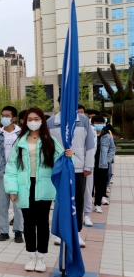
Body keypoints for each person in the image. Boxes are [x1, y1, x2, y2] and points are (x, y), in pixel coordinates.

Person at [5, 107, 65, 272]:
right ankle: (31, 255)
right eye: (30, 119)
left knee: (43, 222)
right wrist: (12, 189)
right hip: (25, 186)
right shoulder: (20, 141)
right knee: (28, 222)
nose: (33, 122)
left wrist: (69, 156)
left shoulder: (50, 141)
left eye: (36, 119)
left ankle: (42, 257)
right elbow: (11, 167)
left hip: (44, 186)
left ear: (42, 121)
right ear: (25, 121)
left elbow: (61, 161)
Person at [48, 97, 95, 248]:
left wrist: (88, 166)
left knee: (77, 200)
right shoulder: (51, 122)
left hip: (78, 168)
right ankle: (61, 233)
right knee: (61, 200)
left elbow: (90, 145)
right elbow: (48, 146)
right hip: (59, 167)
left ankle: (76, 233)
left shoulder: (83, 120)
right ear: (59, 103)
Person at [0, 106, 24, 243]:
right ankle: (3, 231)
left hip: (18, 173)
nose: (4, 118)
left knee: (18, 205)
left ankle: (18, 231)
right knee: (2, 205)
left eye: (7, 116)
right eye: (2, 115)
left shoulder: (21, 134)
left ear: (13, 118)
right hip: (3, 173)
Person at [91, 115, 116, 213]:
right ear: (92, 124)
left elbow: (112, 149)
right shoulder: (88, 135)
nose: (99, 125)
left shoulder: (107, 136)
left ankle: (97, 204)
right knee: (89, 186)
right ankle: (87, 203)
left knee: (99, 185)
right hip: (90, 164)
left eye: (101, 123)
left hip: (102, 165)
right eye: (96, 123)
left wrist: (107, 159)